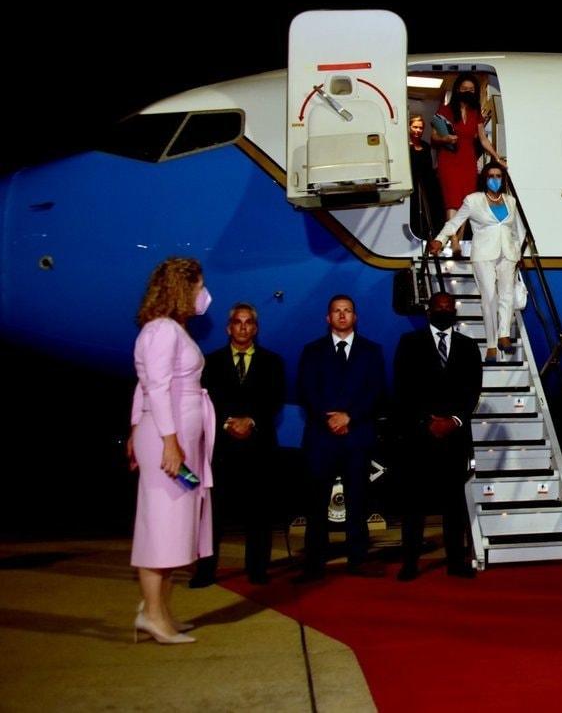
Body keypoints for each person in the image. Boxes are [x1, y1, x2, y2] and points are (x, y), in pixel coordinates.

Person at [128, 257, 216, 644]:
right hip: (171, 443)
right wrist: (170, 443)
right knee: (159, 531)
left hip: (177, 439)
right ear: (183, 287)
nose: (202, 294)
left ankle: (159, 612)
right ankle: (152, 616)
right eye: (198, 286)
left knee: (176, 529)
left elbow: (143, 387)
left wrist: (141, 431)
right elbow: (156, 389)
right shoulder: (162, 330)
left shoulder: (172, 330)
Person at [190, 302, 285, 588]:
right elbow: (204, 399)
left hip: (259, 448)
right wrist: (227, 423)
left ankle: (257, 569)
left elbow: (274, 399)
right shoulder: (211, 362)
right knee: (213, 514)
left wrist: (251, 421)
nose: (243, 327)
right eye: (237, 322)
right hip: (221, 450)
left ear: (255, 328)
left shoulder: (272, 362)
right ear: (228, 327)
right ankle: (205, 571)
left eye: (248, 322)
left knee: (259, 513)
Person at [295, 295, 389, 580]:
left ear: (355, 317)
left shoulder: (372, 351)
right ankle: (314, 563)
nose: (342, 315)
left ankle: (358, 558)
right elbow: (305, 391)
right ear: (328, 318)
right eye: (336, 311)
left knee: (358, 501)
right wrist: (331, 419)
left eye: (347, 311)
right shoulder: (311, 351)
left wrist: (350, 417)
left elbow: (377, 392)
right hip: (321, 439)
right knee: (316, 502)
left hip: (356, 437)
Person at [392, 291, 483, 581]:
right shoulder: (409, 344)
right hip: (420, 437)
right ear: (428, 311)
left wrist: (454, 421)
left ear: (453, 311)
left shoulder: (468, 346)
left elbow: (473, 390)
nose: (443, 310)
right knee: (413, 505)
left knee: (454, 505)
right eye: (438, 306)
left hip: (454, 438)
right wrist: (425, 422)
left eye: (448, 307)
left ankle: (456, 561)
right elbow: (402, 388)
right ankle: (410, 563)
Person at [428, 161, 522, 361]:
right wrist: (440, 239)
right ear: (484, 178)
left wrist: (518, 252)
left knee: (506, 295)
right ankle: (491, 344)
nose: (495, 180)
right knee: (489, 298)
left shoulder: (510, 201)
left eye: (498, 176)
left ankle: (504, 334)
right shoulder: (473, 200)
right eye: (491, 176)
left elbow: (515, 230)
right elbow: (455, 222)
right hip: (483, 254)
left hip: (508, 253)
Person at [432, 72, 505, 218]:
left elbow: (483, 139)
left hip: (468, 161)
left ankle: (456, 241)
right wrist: (445, 139)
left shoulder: (476, 112)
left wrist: (497, 157)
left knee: (466, 204)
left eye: (471, 89)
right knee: (452, 202)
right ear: (458, 89)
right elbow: (433, 136)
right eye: (464, 88)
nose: (467, 92)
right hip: (449, 160)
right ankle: (453, 241)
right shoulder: (445, 110)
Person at [407, 114, 445, 241]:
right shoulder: (405, 146)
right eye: (415, 127)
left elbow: (429, 167)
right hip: (412, 183)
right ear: (409, 127)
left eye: (421, 128)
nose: (418, 130)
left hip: (426, 182)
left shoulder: (426, 146)